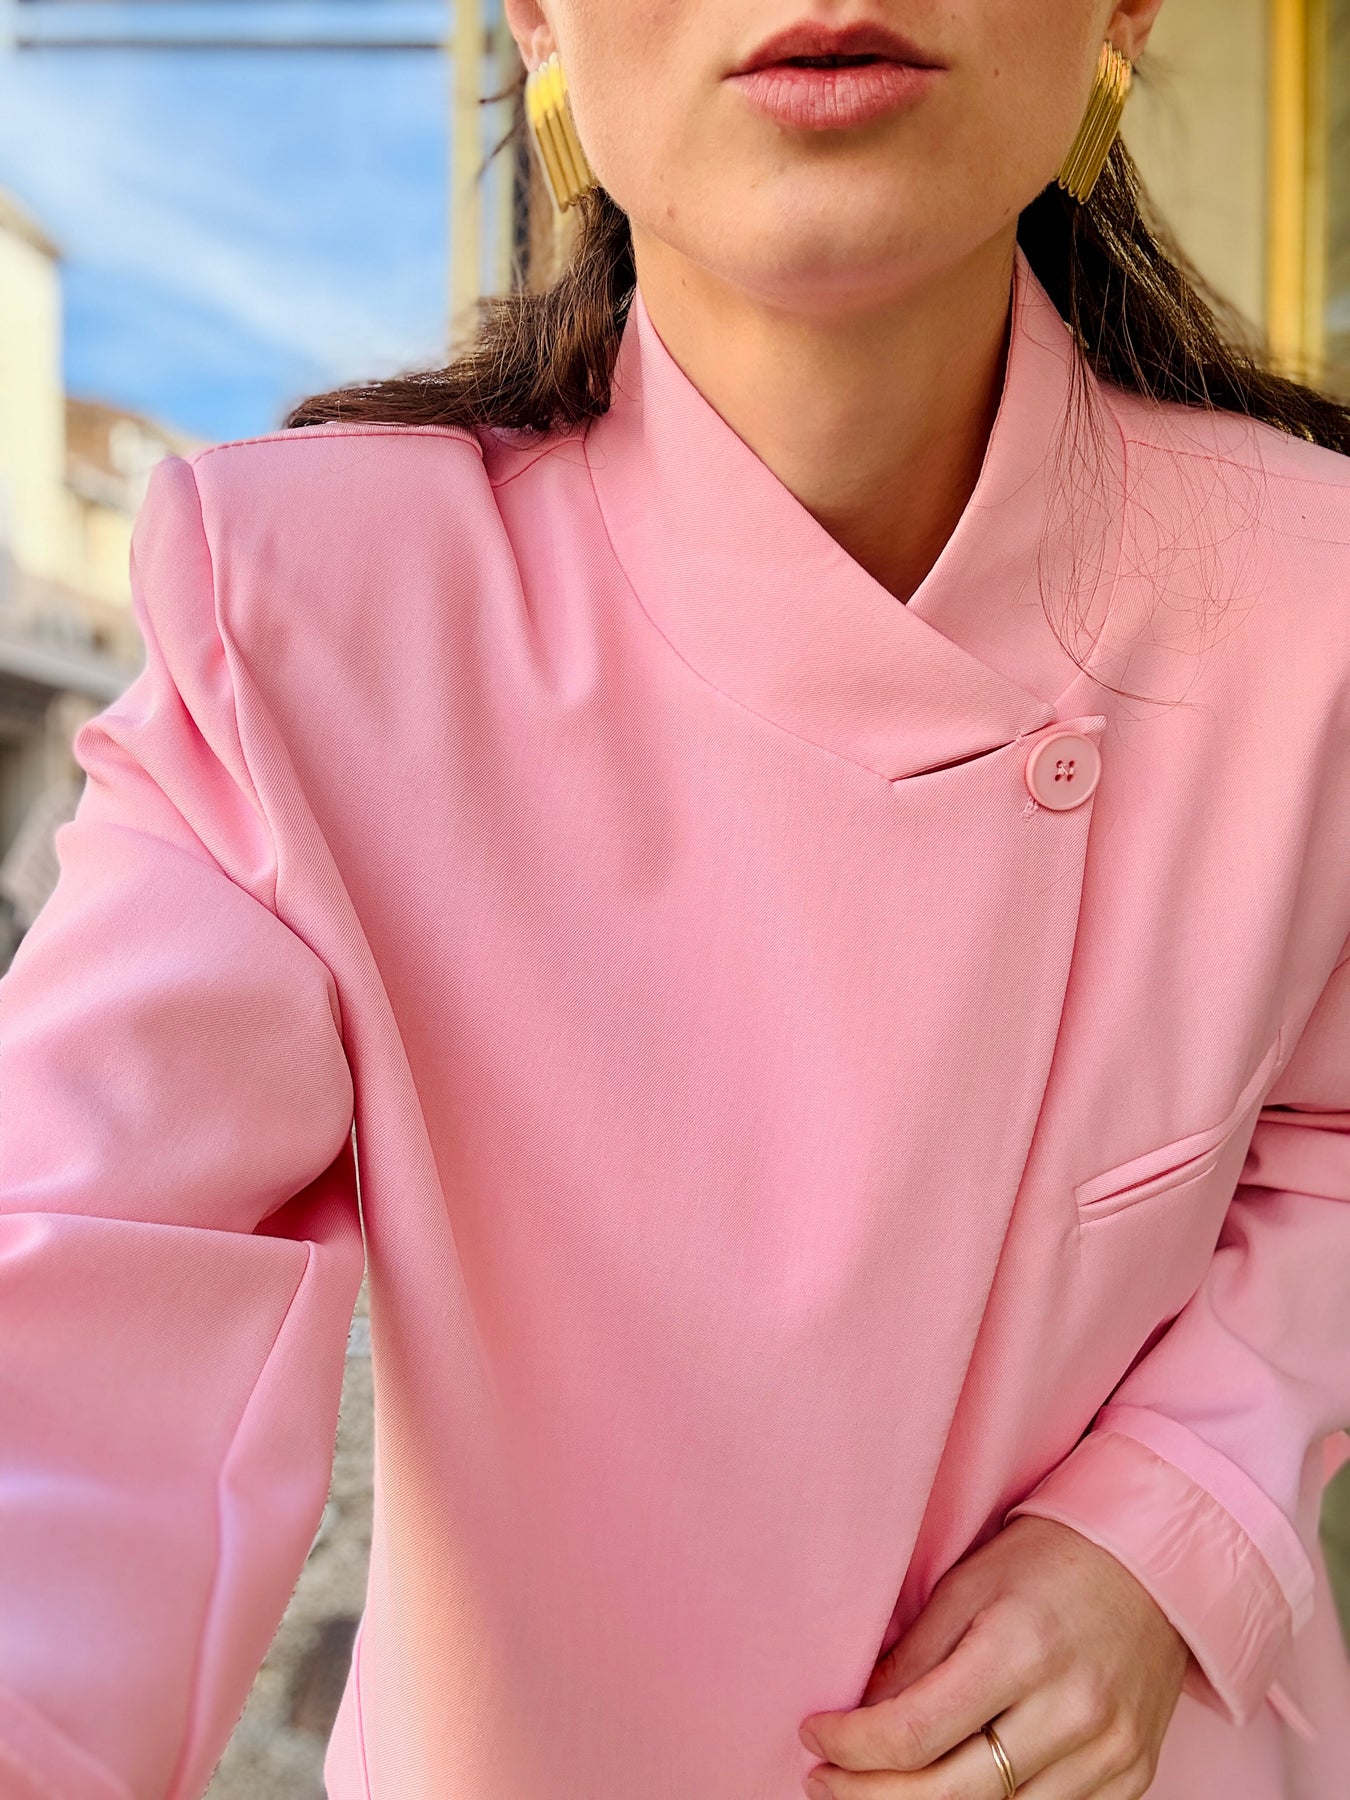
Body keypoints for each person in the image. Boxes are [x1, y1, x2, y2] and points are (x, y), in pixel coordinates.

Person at [1, 3, 1348, 1797]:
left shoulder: (1311, 593)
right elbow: (65, 1325)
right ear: (536, 15)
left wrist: (1173, 1516)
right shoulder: (301, 623)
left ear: (1120, 8)